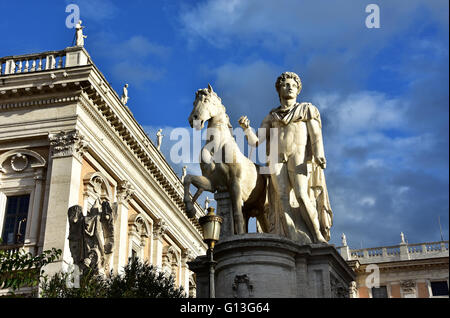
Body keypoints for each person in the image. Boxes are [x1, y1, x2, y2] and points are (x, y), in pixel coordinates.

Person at [238, 72, 332, 243]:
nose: (289, 88)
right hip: (276, 157)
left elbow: (315, 133)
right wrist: (246, 128)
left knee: (302, 195)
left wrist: (319, 153)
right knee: (282, 200)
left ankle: (317, 235)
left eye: (293, 85)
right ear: (279, 89)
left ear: (297, 90)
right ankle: (291, 235)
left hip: (298, 155)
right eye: (285, 85)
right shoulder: (271, 116)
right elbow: (256, 141)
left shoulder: (306, 109)